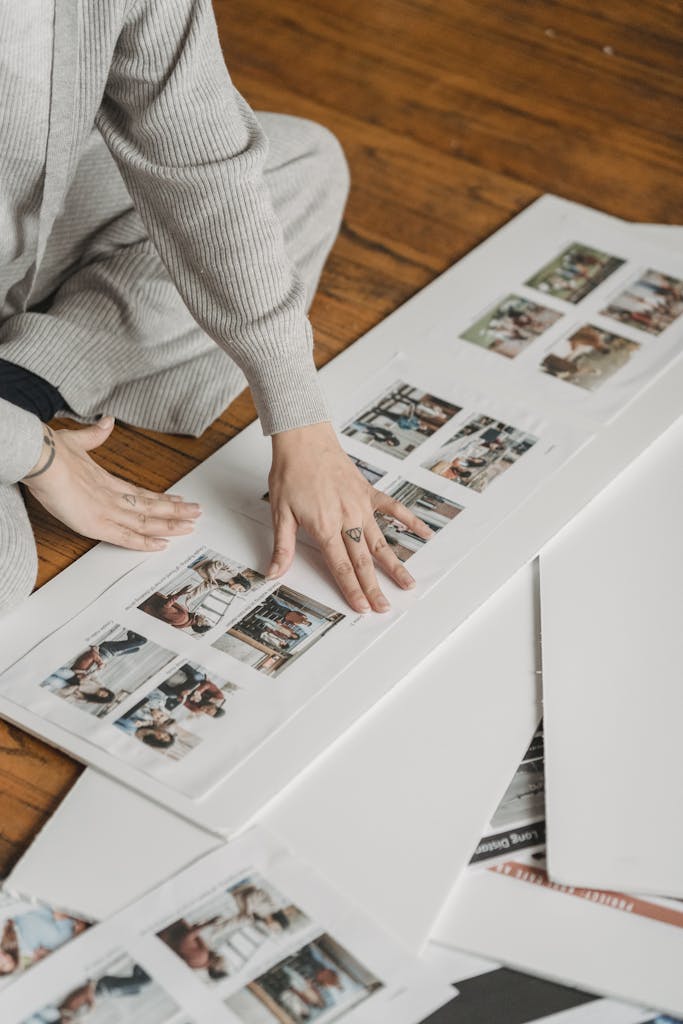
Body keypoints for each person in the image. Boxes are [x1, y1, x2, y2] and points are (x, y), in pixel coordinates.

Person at [0, 0, 430, 621]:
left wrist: (301, 423)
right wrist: (33, 453)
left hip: (27, 238)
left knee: (300, 162)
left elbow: (201, 164)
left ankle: (22, 380)